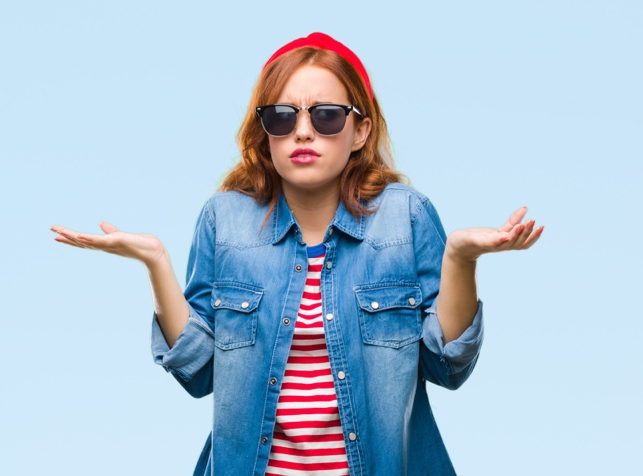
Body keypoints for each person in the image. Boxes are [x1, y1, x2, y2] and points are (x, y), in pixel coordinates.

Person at [51, 32, 542, 476]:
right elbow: (199, 374)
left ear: (361, 131)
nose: (303, 132)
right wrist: (155, 261)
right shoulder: (225, 221)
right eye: (283, 117)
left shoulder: (405, 216)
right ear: (265, 134)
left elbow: (445, 365)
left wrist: (460, 258)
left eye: (326, 115)